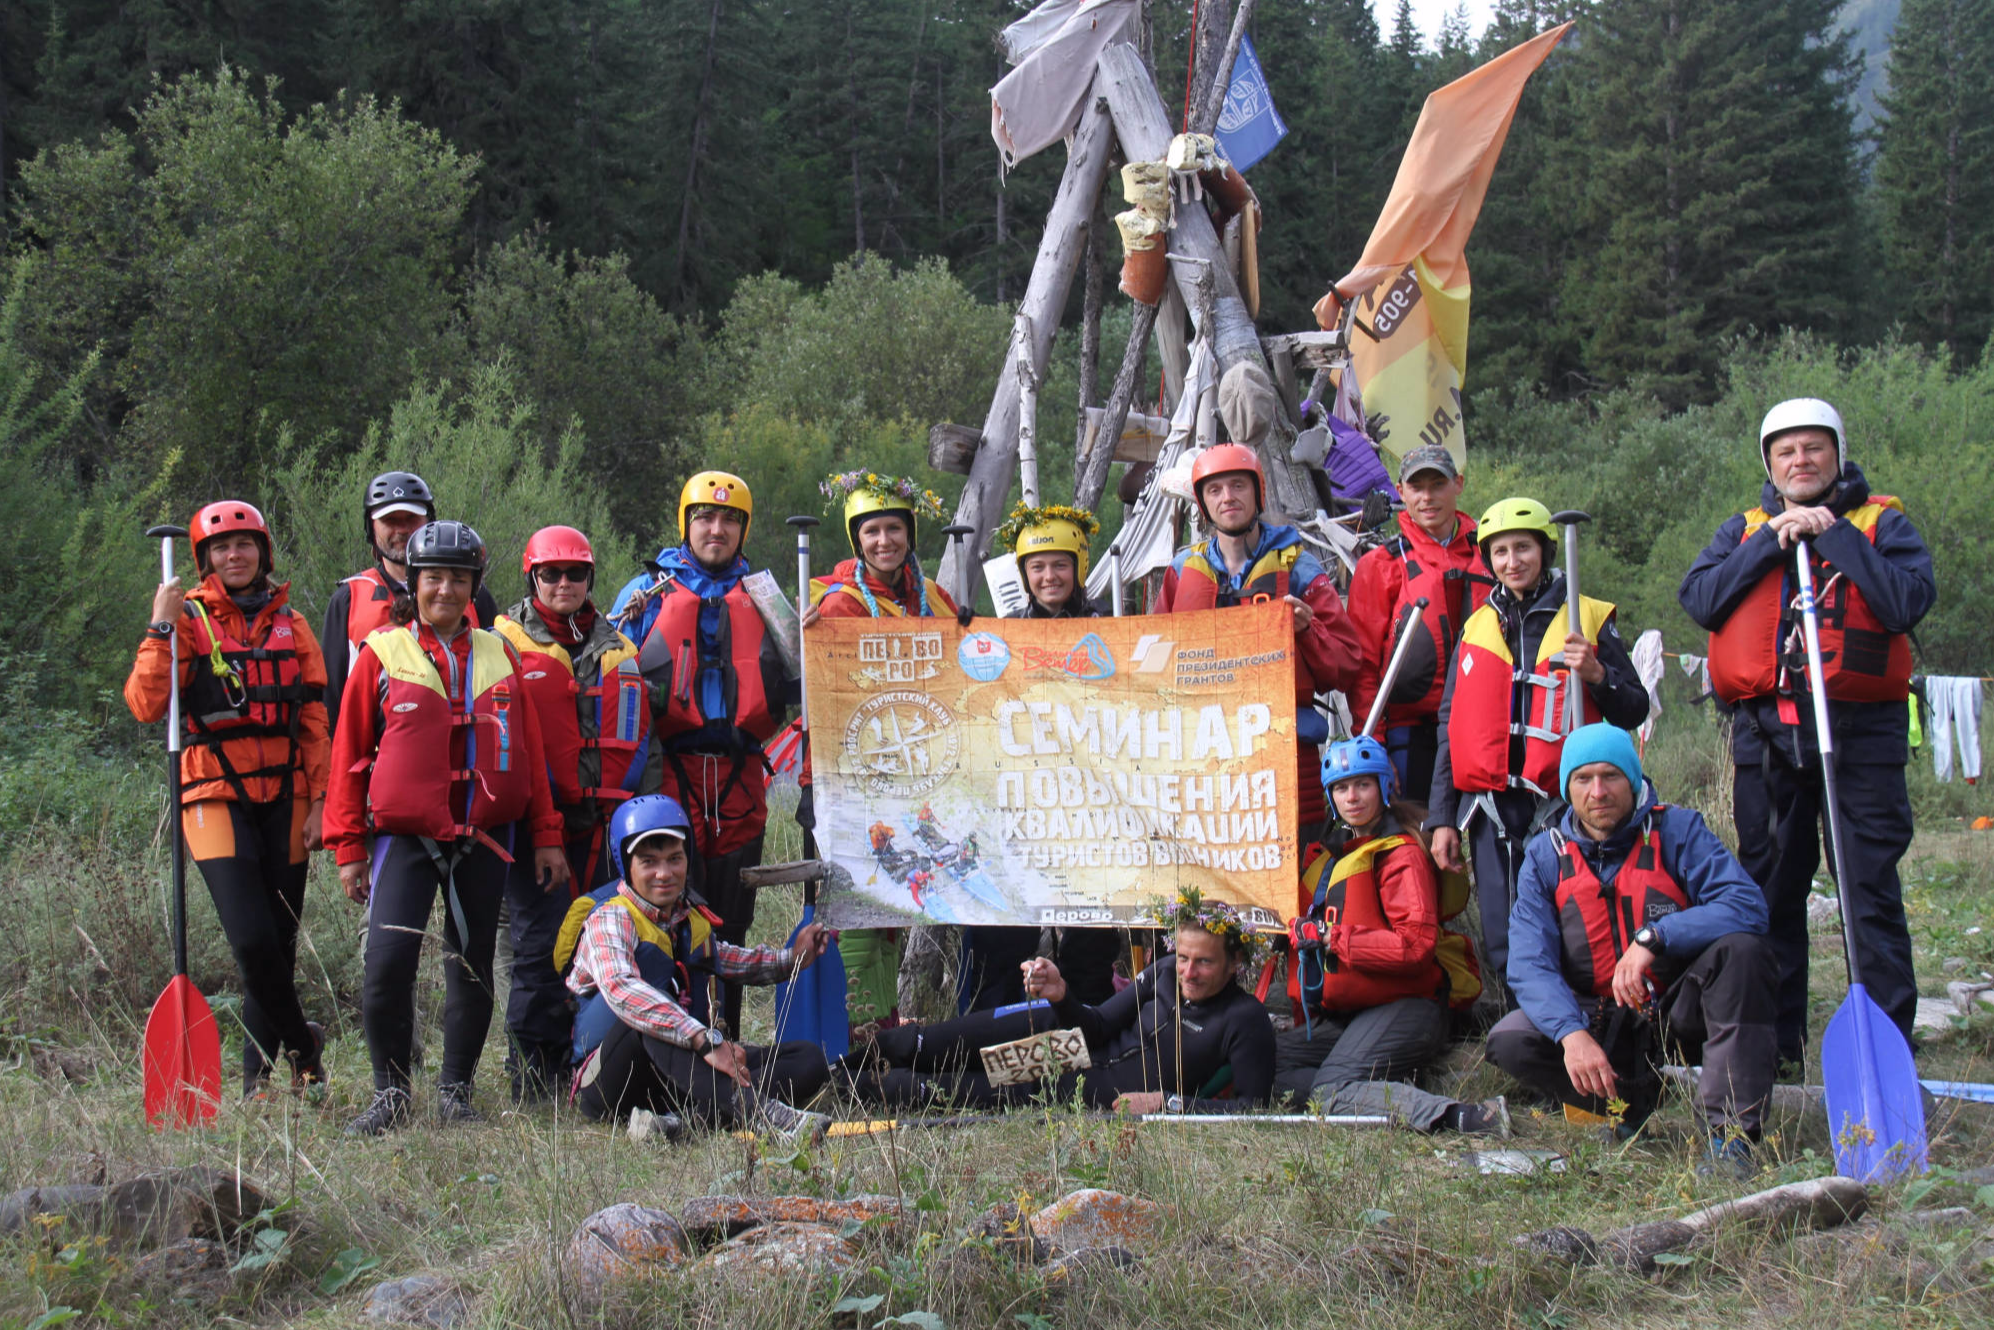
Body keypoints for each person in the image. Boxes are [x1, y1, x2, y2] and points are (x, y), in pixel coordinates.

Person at [1678, 399, 1935, 1069]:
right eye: (1786, 452)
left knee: (1865, 888)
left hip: (1861, 736)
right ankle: (1775, 1042)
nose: (1801, 461)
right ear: (1769, 463)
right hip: (1768, 737)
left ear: (1837, 455)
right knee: (1770, 892)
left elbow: (1907, 602)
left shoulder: (1882, 524)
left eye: (1814, 449)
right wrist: (1775, 540)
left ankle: (1884, 1048)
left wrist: (1832, 537)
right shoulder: (1744, 529)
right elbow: (1701, 599)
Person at [325, 520, 571, 1135]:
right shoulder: (382, 652)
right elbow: (348, 755)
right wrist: (349, 846)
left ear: (473, 586)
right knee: (386, 966)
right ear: (414, 581)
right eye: (433, 577)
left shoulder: (500, 653)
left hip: (483, 839)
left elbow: (533, 757)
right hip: (405, 840)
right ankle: (390, 1094)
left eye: (458, 579)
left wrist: (545, 834)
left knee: (471, 966)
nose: (445, 590)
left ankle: (455, 1092)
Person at [1488, 726, 1777, 1177]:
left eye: (1611, 777)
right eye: (1583, 779)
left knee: (1741, 952)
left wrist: (1656, 937)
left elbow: (1746, 905)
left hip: (1678, 1009)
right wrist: (1570, 1034)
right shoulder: (1546, 856)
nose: (1598, 792)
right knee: (1511, 1038)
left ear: (1634, 781)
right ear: (1568, 788)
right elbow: (1529, 963)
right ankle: (1630, 1104)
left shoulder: (1678, 831)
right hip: (1600, 1019)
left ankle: (1730, 1138)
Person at [124, 500, 331, 1098]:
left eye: (244, 545)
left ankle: (256, 1079)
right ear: (204, 558)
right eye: (220, 548)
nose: (233, 555)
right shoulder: (187, 618)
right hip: (213, 790)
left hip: (287, 793)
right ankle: (304, 1047)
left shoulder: (292, 623)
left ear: (262, 552)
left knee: (280, 943)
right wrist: (160, 625)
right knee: (250, 937)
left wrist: (321, 801)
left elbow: (314, 721)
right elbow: (145, 704)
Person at [1426, 498, 1650, 989]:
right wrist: (1442, 817)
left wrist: (1596, 673)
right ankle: (1519, 1031)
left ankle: (1580, 1021)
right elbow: (1451, 726)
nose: (1513, 561)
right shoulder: (1476, 626)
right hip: (1489, 807)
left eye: (1523, 548)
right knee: (1503, 934)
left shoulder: (1585, 617)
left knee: (1568, 924)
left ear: (1546, 551)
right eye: (1501, 552)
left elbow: (1634, 708)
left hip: (1561, 806)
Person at [609, 472, 794, 1042]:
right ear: (686, 524)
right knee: (668, 915)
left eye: (730, 520)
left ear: (743, 529)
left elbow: (802, 677)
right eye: (705, 519)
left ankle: (727, 1038)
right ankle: (673, 1041)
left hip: (739, 777)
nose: (717, 529)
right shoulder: (645, 594)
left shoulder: (766, 596)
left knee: (732, 918)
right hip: (670, 774)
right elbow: (611, 681)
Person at [492, 525, 663, 1102]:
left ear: (591, 579)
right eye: (551, 574)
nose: (564, 584)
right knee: (540, 948)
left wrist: (648, 823)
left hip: (606, 826)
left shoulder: (620, 647)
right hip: (539, 826)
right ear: (532, 577)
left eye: (575, 574)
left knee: (604, 947)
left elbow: (648, 743)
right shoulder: (504, 644)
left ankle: (590, 1066)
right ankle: (530, 1077)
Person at [845, 891, 1276, 1112]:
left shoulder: (1245, 1019)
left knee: (922, 1089)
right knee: (923, 1046)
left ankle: (846, 1089)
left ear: (1235, 961)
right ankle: (836, 1068)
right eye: (1183, 958)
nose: (1188, 973)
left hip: (1072, 1088)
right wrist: (1062, 994)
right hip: (1067, 1050)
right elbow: (1100, 1027)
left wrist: (1168, 1103)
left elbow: (1254, 1109)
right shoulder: (1163, 974)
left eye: (1203, 963)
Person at [565, 795, 835, 1142]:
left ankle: (681, 1124)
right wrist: (704, 1039)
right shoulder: (610, 919)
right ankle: (761, 1113)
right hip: (610, 1082)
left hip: (677, 1075)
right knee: (652, 1010)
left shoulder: (684, 918)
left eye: (674, 859)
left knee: (807, 1059)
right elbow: (622, 989)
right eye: (649, 862)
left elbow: (731, 961)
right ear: (626, 865)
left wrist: (793, 958)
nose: (665, 873)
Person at [1275, 737, 1506, 1134]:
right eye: (1341, 788)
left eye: (1363, 785)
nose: (1352, 797)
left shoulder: (1402, 854)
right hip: (1351, 1012)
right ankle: (1368, 1089)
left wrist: (1335, 938)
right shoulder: (1336, 854)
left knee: (1330, 1091)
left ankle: (1462, 1115)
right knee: (1263, 1060)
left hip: (1408, 1007)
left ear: (1383, 787)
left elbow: (1416, 946)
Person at [800, 473, 960, 1035]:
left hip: (914, 773)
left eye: (894, 528)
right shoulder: (836, 605)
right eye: (872, 531)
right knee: (854, 904)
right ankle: (846, 1028)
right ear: (856, 540)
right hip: (850, 778)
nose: (884, 541)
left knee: (894, 898)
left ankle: (880, 1022)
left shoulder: (933, 597)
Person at [956, 503, 1120, 1012]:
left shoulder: (1113, 632)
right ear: (1024, 576)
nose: (1050, 577)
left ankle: (1090, 1045)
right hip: (1022, 806)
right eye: (1038, 567)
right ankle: (986, 1052)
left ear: (1078, 567)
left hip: (1090, 808)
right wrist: (954, 634)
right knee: (1003, 939)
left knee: (1090, 940)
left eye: (1060, 565)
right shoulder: (1001, 637)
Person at [1158, 443, 1363, 832]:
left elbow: (1346, 664)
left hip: (1284, 749)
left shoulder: (1299, 566)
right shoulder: (1182, 570)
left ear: (1258, 492)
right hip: (1205, 753)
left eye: (1238, 486)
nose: (1228, 498)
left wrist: (1309, 632)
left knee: (1297, 865)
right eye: (1215, 490)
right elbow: (1151, 663)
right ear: (1202, 503)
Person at [1346, 445, 1489, 801]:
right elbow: (1362, 668)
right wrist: (1373, 746)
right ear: (1400, 491)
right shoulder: (1380, 565)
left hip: (1484, 726)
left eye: (1437, 485)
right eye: (1417, 487)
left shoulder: (1492, 557)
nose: (1427, 497)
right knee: (1418, 842)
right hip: (1408, 734)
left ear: (1458, 484)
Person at [322, 471, 498, 733]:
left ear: (430, 522)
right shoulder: (347, 600)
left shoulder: (474, 594)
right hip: (381, 756)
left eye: (411, 519)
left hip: (464, 747)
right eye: (390, 521)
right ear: (372, 528)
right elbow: (331, 698)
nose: (401, 530)